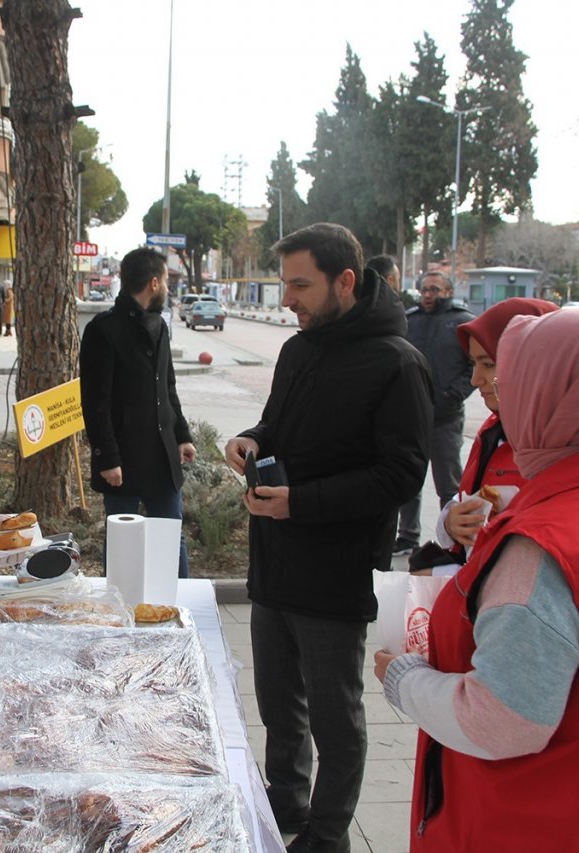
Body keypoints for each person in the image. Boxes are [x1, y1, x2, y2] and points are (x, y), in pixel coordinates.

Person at [376, 309, 579, 853]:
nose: (498, 396)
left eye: (515, 382)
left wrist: (403, 678)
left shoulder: (546, 545)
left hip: (517, 819)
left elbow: (502, 720)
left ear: (558, 397)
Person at [222, 223, 433, 853]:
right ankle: (285, 803)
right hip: (275, 562)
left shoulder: (398, 362)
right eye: (285, 283)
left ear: (346, 280)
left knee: (336, 721)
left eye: (300, 285)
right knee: (278, 704)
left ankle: (326, 835)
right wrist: (253, 439)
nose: (288, 298)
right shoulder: (299, 348)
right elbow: (279, 424)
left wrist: (303, 503)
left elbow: (401, 475)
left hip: (337, 574)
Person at [409, 297, 558, 574]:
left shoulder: (558, 447)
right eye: (473, 363)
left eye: (488, 364)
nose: (476, 379)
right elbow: (466, 500)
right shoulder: (494, 431)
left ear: (531, 363)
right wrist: (450, 522)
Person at [80, 247, 197, 578]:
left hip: (162, 456)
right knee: (122, 546)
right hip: (122, 461)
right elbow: (94, 402)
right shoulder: (104, 330)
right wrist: (107, 457)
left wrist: (182, 436)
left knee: (172, 541)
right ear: (155, 283)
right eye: (167, 283)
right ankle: (120, 614)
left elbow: (167, 388)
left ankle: (179, 608)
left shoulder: (160, 325)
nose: (169, 290)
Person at [394, 271, 475, 556]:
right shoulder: (410, 320)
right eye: (425, 290)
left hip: (446, 419)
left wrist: (453, 395)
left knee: (449, 486)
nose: (428, 295)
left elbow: (475, 366)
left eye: (435, 290)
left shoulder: (463, 322)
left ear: (448, 292)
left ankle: (452, 541)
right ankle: (407, 537)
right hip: (412, 417)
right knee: (408, 479)